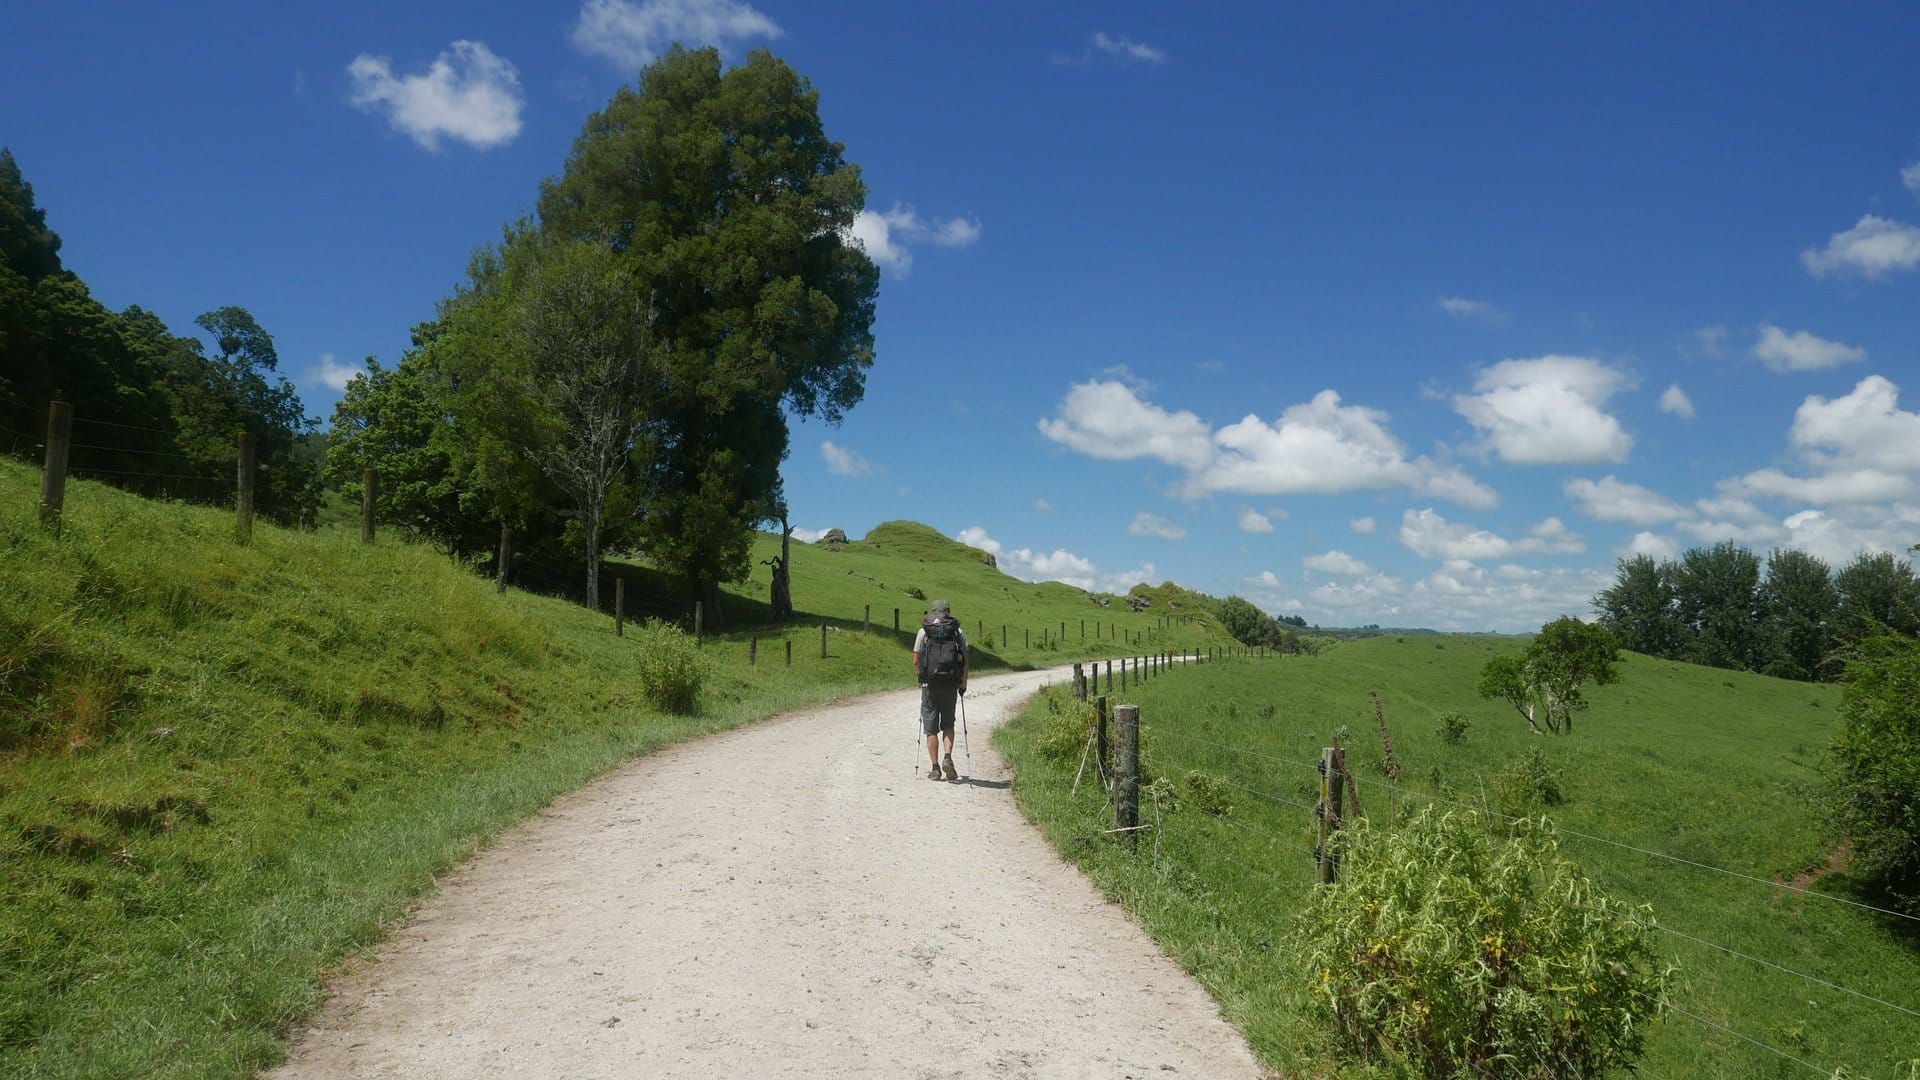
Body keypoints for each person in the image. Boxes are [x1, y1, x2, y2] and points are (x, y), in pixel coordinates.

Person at [911, 599, 969, 780]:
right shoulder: (956, 631)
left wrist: (922, 676)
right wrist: (963, 682)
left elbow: (915, 660)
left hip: (930, 685)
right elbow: (965, 660)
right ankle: (948, 757)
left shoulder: (924, 631)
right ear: (948, 613)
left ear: (933, 611)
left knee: (931, 728)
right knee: (948, 724)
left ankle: (935, 769)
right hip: (950, 683)